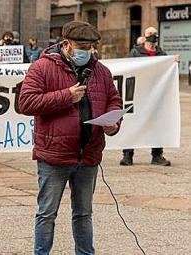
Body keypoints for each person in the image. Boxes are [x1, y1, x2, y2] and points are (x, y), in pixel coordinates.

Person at [18, 21, 123, 255]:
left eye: (91, 46)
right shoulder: (42, 67)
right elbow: (25, 103)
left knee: (84, 213)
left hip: (88, 155)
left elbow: (114, 100)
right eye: (82, 45)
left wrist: (113, 124)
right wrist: (66, 96)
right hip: (54, 156)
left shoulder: (101, 71)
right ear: (66, 44)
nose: (88, 50)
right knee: (47, 213)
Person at [121, 27, 178, 166]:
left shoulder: (161, 53)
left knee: (157, 123)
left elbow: (167, 68)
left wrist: (173, 61)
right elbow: (128, 69)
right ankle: (128, 155)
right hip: (139, 93)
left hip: (156, 94)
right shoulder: (135, 53)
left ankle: (157, 155)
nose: (153, 36)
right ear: (144, 36)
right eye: (150, 34)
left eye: (154, 34)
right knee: (133, 122)